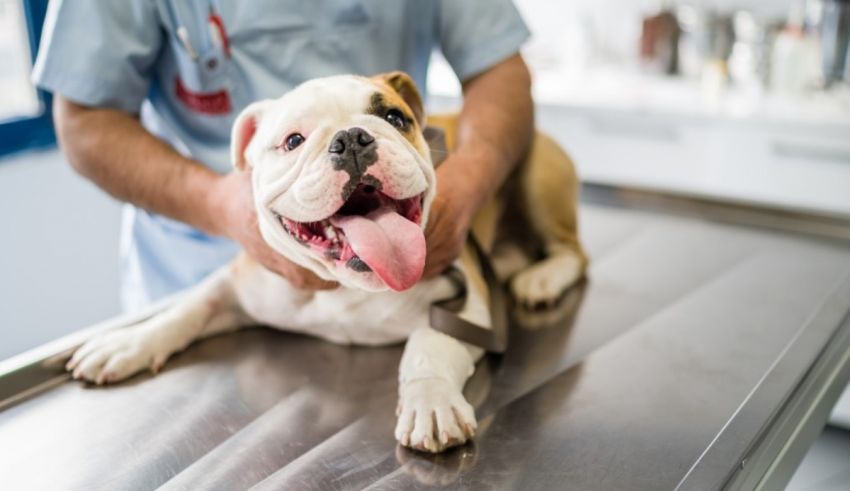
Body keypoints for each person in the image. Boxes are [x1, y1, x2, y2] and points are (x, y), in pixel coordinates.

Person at [33, 0, 534, 311]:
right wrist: (220, 205)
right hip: (200, 278)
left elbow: (498, 67)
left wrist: (466, 182)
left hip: (399, 267)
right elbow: (83, 118)